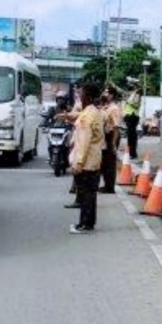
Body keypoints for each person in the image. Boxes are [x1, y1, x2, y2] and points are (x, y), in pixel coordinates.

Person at [68, 83, 106, 234]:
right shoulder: (92, 112)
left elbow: (84, 140)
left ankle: (84, 224)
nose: (79, 96)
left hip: (86, 160)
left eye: (81, 93)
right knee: (90, 192)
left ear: (87, 96)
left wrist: (78, 162)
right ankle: (89, 222)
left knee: (85, 193)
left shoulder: (88, 115)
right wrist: (68, 116)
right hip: (93, 158)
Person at [99, 86, 122, 193]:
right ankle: (107, 184)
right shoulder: (106, 107)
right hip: (105, 136)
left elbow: (116, 127)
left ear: (111, 95)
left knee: (110, 163)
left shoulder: (114, 109)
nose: (104, 94)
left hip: (111, 136)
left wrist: (113, 144)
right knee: (105, 162)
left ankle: (110, 187)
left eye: (106, 92)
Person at [122, 82, 142, 158]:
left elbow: (136, 105)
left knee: (131, 136)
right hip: (129, 116)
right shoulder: (130, 95)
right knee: (130, 136)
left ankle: (132, 153)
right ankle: (130, 152)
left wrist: (129, 102)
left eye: (131, 88)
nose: (129, 90)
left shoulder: (137, 95)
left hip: (133, 116)